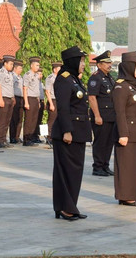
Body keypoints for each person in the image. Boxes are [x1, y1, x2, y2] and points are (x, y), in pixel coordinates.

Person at [51, 46, 91, 221]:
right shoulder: (64, 80)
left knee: (75, 172)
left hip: (79, 132)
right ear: (73, 61)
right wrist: (67, 130)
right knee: (66, 172)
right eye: (81, 61)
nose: (83, 64)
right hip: (67, 133)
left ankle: (71, 206)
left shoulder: (75, 79)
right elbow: (63, 107)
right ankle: (64, 208)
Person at [112, 50, 136, 206]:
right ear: (128, 66)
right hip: (127, 134)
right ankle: (125, 196)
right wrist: (123, 134)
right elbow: (119, 113)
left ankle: (135, 193)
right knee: (126, 166)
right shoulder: (121, 87)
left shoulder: (135, 86)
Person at [88, 51, 117, 177]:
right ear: (99, 65)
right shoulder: (95, 77)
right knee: (100, 142)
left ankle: (105, 165)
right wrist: (97, 116)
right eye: (107, 63)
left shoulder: (109, 78)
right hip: (101, 116)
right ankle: (98, 167)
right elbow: (92, 98)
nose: (109, 65)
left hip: (111, 116)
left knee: (109, 142)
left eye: (110, 62)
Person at [0, 56, 16, 148]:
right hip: (3, 98)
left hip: (10, 98)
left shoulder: (10, 74)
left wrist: (13, 97)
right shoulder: (0, 72)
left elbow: (11, 87)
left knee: (7, 120)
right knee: (2, 121)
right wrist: (0, 99)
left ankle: (4, 139)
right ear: (5, 63)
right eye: (10, 64)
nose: (12, 66)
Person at [23, 57, 41, 146]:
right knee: (29, 120)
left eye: (38, 65)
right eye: (36, 65)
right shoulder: (27, 75)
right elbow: (25, 88)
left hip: (35, 99)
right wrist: (26, 102)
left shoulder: (37, 76)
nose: (38, 67)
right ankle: (26, 139)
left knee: (34, 120)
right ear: (31, 65)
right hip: (29, 98)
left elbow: (37, 90)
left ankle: (31, 138)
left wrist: (38, 101)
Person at [45, 62, 62, 145]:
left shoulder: (60, 78)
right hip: (52, 100)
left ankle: (55, 136)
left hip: (59, 100)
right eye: (59, 68)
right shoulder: (50, 78)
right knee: (52, 120)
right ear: (55, 69)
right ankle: (49, 137)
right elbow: (47, 91)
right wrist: (51, 104)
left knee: (58, 119)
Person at [9, 60, 24, 144]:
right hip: (15, 98)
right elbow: (11, 88)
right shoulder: (12, 76)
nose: (21, 69)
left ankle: (17, 136)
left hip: (21, 99)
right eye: (20, 68)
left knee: (19, 119)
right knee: (14, 119)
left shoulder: (20, 77)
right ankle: (12, 137)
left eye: (22, 68)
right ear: (15, 68)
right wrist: (13, 97)